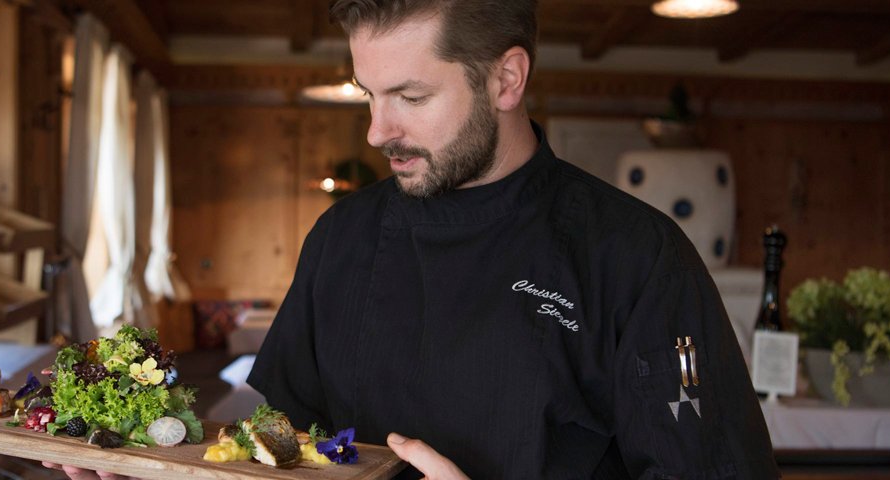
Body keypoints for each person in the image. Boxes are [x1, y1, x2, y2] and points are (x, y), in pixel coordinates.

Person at [51, 0, 778, 478]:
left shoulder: (636, 258)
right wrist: (154, 465)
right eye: (371, 95)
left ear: (507, 79)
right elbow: (274, 447)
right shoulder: (342, 238)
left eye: (412, 97)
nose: (376, 132)